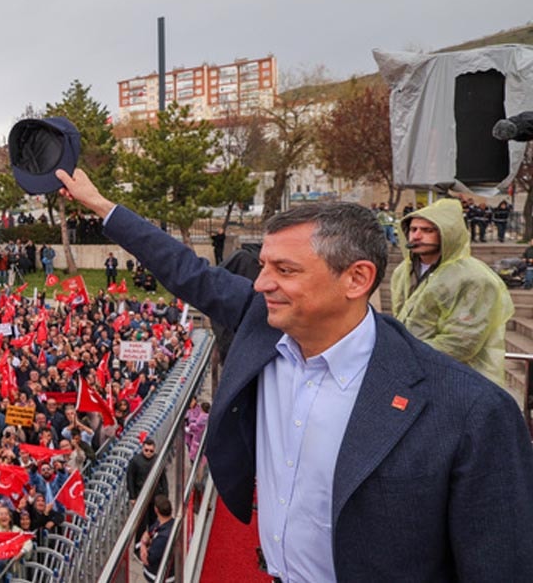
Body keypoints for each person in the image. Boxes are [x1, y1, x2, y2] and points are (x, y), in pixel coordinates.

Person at [56, 166, 533, 581]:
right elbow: (182, 268)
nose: (262, 283)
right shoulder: (259, 321)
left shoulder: (472, 412)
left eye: (284, 269)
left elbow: (499, 565)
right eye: (263, 265)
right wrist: (100, 204)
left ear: (357, 279)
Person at [390, 198, 513, 387]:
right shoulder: (403, 271)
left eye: (427, 230)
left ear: (449, 234)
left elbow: (462, 342)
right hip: (413, 376)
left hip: (461, 381)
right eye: (413, 229)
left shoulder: (474, 277)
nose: (416, 236)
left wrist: (405, 352)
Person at [137, 495, 175, 583]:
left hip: (159, 576)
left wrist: (143, 545)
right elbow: (148, 533)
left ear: (156, 510)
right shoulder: (165, 522)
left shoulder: (163, 538)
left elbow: (147, 560)